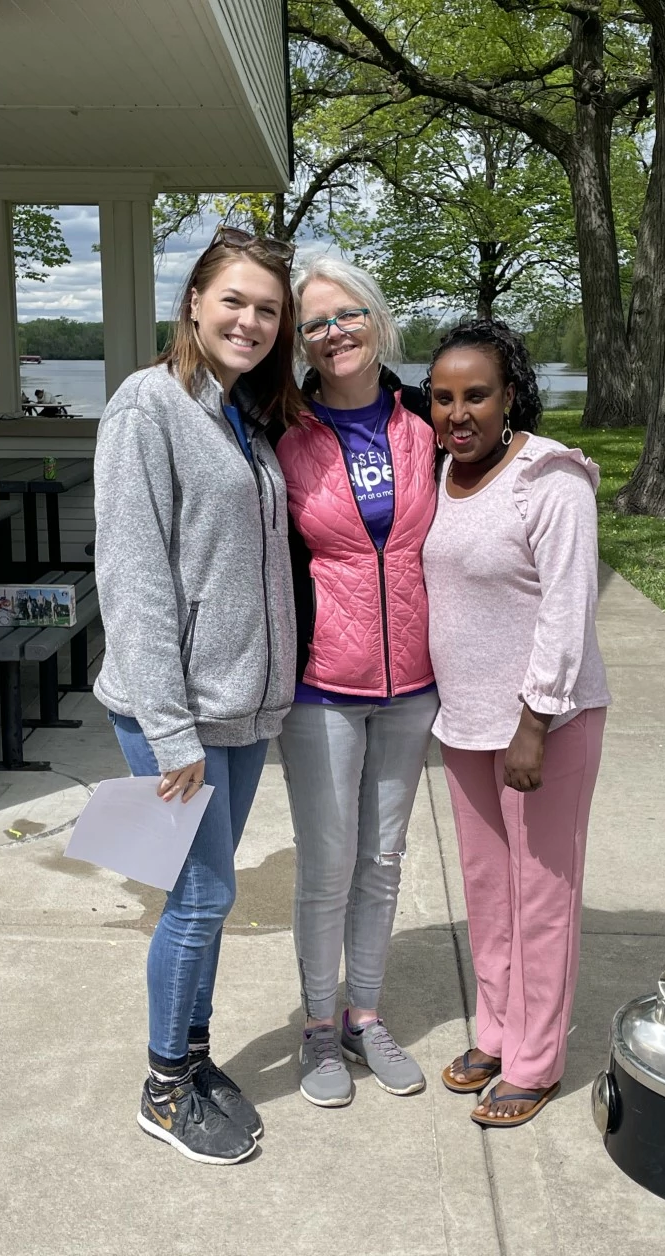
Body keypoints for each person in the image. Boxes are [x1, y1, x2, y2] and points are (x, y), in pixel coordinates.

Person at [93, 226, 302, 1164]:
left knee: (207, 902)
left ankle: (196, 1054)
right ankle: (163, 1089)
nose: (251, 321)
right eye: (235, 301)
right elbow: (132, 579)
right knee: (198, 896)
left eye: (267, 308)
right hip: (168, 711)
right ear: (193, 303)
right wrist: (171, 733)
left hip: (241, 710)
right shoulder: (149, 405)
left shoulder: (240, 414)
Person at [422, 320, 610, 1128]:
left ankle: (536, 1060)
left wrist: (534, 719)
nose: (458, 413)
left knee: (542, 895)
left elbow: (568, 611)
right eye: (443, 398)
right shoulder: (440, 472)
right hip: (465, 722)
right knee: (488, 888)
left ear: (510, 396)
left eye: (476, 395)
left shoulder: (551, 479)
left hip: (546, 725)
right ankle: (496, 1033)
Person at [275, 255, 438, 1107]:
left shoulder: (423, 424)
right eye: (314, 324)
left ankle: (364, 1016)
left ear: (376, 321)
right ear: (299, 342)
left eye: (347, 316)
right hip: (320, 687)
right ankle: (314, 1028)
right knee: (328, 864)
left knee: (383, 858)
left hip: (413, 683)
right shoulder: (284, 431)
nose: (332, 334)